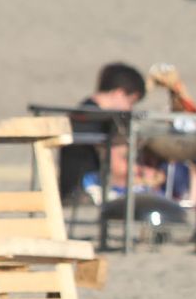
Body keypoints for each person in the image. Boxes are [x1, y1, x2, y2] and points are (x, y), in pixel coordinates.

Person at [58, 62, 147, 201]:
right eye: (130, 102)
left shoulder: (83, 112)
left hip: (74, 189)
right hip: (86, 192)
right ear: (119, 93)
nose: (130, 109)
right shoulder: (100, 119)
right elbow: (117, 166)